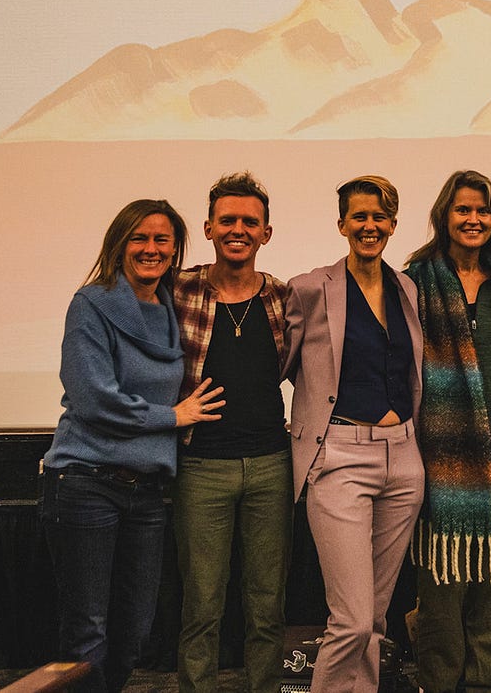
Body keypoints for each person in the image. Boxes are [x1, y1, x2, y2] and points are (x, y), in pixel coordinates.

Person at [41, 199, 227, 693]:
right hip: (85, 484)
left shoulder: (171, 309)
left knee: (134, 634)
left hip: (145, 493)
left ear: (175, 248)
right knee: (88, 633)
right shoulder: (91, 304)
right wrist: (172, 416)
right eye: (139, 238)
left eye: (162, 239)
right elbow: (93, 398)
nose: (151, 248)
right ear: (119, 244)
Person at [284, 175, 426, 693]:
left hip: (403, 459)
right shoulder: (309, 289)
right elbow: (277, 365)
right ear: (341, 223)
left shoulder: (406, 288)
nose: (370, 225)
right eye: (359, 216)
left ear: (393, 224)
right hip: (340, 457)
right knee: (352, 620)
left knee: (376, 619)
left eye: (379, 217)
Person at [404, 170, 491, 693]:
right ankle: (439, 681)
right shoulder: (413, 282)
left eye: (482, 211)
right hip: (438, 453)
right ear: (445, 216)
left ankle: (486, 681)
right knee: (442, 578)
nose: (473, 219)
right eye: (463, 209)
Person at [171, 173, 292, 693]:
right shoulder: (177, 290)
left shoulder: (284, 297)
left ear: (266, 233)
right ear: (208, 228)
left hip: (272, 465)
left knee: (267, 605)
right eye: (227, 221)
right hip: (202, 467)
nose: (237, 230)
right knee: (202, 604)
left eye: (249, 221)